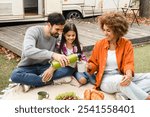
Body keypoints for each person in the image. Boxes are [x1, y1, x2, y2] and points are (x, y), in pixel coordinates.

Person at [87, 12, 150, 100]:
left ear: (117, 31)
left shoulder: (126, 44)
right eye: (104, 30)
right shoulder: (99, 44)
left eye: (108, 30)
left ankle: (123, 95)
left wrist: (128, 75)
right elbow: (93, 63)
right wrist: (89, 66)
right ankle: (146, 99)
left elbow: (129, 63)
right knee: (121, 81)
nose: (105, 33)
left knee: (147, 77)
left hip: (122, 74)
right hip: (105, 79)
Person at [10, 12, 75, 92]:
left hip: (44, 66)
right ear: (49, 25)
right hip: (27, 67)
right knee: (15, 76)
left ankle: (31, 82)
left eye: (61, 30)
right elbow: (28, 50)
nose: (59, 33)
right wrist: (52, 54)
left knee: (69, 69)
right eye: (57, 29)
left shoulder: (56, 36)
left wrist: (52, 68)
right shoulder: (33, 31)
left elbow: (57, 57)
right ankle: (48, 81)